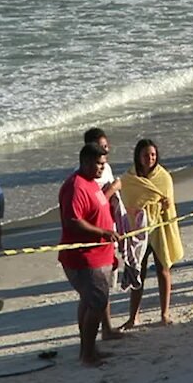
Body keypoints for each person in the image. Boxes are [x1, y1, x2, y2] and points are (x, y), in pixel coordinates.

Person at [57, 143, 119, 367]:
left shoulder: (92, 183)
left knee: (89, 301)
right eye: (99, 164)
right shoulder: (75, 186)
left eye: (104, 164)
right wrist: (103, 232)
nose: (103, 168)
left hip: (100, 254)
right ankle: (87, 355)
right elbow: (72, 221)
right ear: (85, 162)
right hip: (83, 257)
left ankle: (89, 349)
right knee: (97, 302)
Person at [119, 140, 185, 327]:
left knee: (163, 269)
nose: (150, 159)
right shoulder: (129, 178)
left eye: (153, 155)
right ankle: (133, 317)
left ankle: (164, 313)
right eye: (146, 155)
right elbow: (126, 203)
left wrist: (165, 206)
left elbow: (169, 205)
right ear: (138, 157)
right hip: (138, 230)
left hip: (159, 228)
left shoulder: (164, 177)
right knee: (137, 271)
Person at [82, 128, 127, 342]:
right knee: (93, 291)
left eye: (107, 146)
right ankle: (89, 340)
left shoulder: (105, 168)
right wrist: (114, 188)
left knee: (107, 284)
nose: (107, 150)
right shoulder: (83, 178)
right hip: (95, 235)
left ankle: (107, 328)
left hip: (110, 229)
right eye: (102, 147)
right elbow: (94, 202)